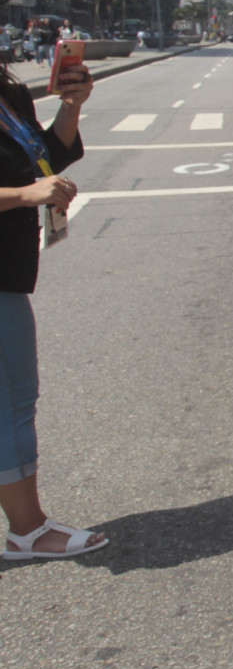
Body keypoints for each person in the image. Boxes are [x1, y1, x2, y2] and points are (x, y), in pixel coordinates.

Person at [0, 52, 104, 561]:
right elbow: (28, 181)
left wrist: (70, 105)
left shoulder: (8, 92)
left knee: (14, 399)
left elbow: (42, 156)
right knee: (12, 403)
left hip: (9, 268)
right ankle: (29, 531)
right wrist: (24, 194)